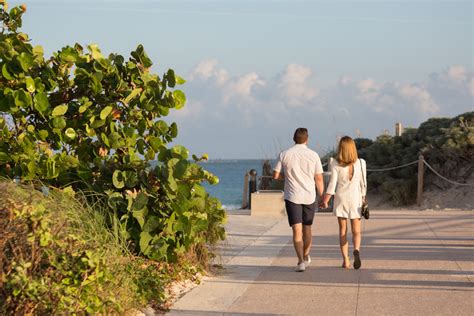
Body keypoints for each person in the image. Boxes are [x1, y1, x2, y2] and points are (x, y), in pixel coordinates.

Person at [273, 128, 324, 272]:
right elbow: (318, 178)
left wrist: (286, 177)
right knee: (307, 228)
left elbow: (275, 176)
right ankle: (306, 255)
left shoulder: (284, 154)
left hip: (292, 196)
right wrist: (323, 197)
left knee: (297, 230)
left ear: (293, 138)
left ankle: (300, 261)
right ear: (307, 139)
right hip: (309, 196)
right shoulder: (313, 155)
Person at [320, 136, 367, 269]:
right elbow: (364, 184)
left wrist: (325, 200)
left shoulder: (335, 163)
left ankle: (346, 260)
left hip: (341, 199)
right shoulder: (361, 163)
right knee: (356, 231)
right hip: (356, 199)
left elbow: (332, 185)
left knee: (342, 231)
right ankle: (356, 249)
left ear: (341, 148)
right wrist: (363, 198)